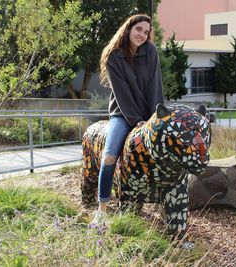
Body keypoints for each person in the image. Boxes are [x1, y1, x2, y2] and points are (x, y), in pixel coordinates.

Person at [91, 14, 164, 224]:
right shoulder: (113, 56)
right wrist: (135, 121)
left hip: (148, 112)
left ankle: (162, 204)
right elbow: (121, 93)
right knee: (110, 156)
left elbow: (154, 86)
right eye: (138, 29)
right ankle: (102, 209)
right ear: (128, 28)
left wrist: (156, 117)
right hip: (122, 114)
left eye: (146, 31)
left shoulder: (151, 51)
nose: (142, 34)